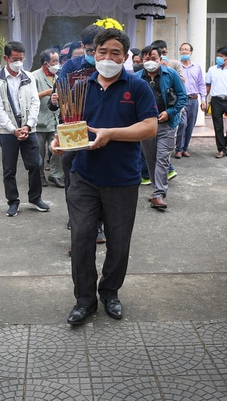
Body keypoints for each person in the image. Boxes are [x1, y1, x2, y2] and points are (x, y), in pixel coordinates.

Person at [51, 29, 157, 325]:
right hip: (84, 176)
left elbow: (150, 127)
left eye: (115, 53)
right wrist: (57, 143)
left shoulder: (136, 87)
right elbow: (70, 128)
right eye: (103, 52)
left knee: (119, 242)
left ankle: (110, 292)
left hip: (122, 179)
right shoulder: (80, 88)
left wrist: (112, 134)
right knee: (82, 237)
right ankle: (84, 300)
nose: (108, 58)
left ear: (125, 57)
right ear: (93, 53)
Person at [53, 23, 107, 242]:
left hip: (102, 132)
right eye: (89, 50)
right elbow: (60, 96)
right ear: (83, 47)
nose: (93, 55)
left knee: (101, 180)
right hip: (74, 131)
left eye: (97, 50)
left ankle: (99, 225)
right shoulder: (72, 66)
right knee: (72, 177)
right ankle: (75, 218)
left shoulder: (109, 67)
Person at [0, 40, 50, 217]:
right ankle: (13, 201)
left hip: (28, 129)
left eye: (21, 59)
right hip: (8, 132)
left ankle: (35, 198)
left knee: (36, 164)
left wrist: (28, 125)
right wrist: (13, 129)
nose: (19, 62)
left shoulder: (28, 77)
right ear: (5, 58)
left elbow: (35, 102)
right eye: (15, 58)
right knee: (9, 169)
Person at [136, 46, 187, 210]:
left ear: (160, 59)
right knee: (150, 159)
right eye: (146, 59)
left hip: (167, 124)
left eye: (153, 58)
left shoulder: (170, 74)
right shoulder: (137, 78)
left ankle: (159, 194)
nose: (150, 62)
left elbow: (182, 96)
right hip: (146, 126)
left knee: (163, 158)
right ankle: (156, 191)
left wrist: (169, 113)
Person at [31, 48, 63, 188]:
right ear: (45, 63)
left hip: (54, 119)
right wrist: (46, 93)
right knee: (39, 151)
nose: (58, 63)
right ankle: (40, 176)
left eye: (58, 60)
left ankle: (56, 175)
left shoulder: (58, 77)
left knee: (57, 148)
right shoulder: (34, 77)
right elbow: (28, 99)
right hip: (39, 120)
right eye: (54, 61)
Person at [175, 42, 207, 158]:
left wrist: (203, 100)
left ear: (191, 52)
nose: (184, 51)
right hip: (181, 99)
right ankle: (178, 149)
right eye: (182, 49)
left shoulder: (197, 67)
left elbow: (201, 84)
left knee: (190, 125)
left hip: (194, 99)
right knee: (182, 123)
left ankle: (185, 148)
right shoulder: (176, 66)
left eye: (186, 50)